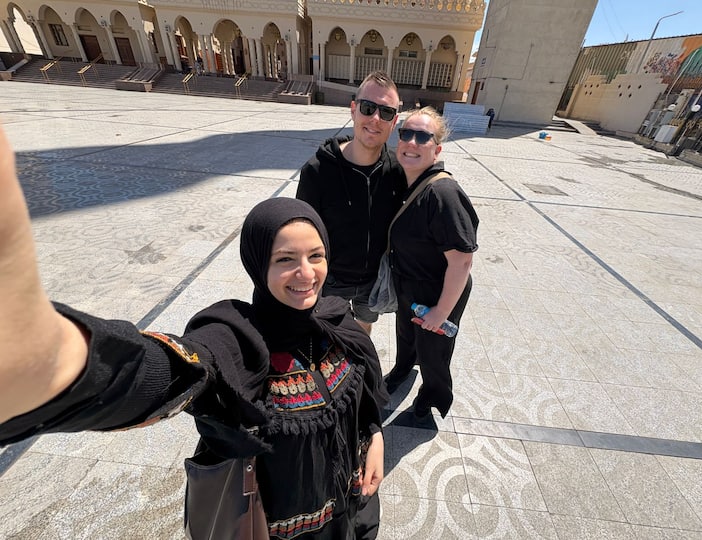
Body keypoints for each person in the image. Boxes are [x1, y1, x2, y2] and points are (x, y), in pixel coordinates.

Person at [0, 121, 388, 539]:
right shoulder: (237, 338)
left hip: (349, 513)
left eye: (316, 255)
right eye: (284, 260)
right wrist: (59, 363)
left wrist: (374, 435)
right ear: (257, 264)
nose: (306, 274)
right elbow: (169, 371)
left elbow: (364, 396)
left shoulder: (335, 320)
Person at [382, 107, 478, 426]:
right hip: (409, 284)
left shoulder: (442, 193)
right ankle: (401, 370)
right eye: (406, 133)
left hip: (439, 290)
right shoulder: (406, 182)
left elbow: (462, 260)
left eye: (423, 137)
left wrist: (440, 312)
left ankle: (432, 395)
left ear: (436, 149)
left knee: (434, 351)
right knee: (406, 335)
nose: (412, 141)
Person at [297, 71, 406, 335]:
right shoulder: (318, 170)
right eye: (368, 108)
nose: (375, 119)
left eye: (386, 112)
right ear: (353, 110)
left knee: (362, 332)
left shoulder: (398, 171)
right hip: (330, 280)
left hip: (374, 280)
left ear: (394, 122)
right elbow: (301, 234)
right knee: (328, 336)